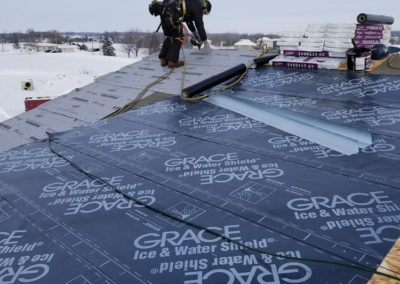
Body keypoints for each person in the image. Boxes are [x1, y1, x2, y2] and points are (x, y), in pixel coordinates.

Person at [158, 0, 212, 68]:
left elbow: (189, 22)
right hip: (173, 15)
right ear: (204, 7)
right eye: (204, 12)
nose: (203, 14)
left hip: (164, 14)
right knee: (178, 37)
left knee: (170, 37)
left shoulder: (189, 3)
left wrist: (195, 34)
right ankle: (172, 61)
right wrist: (205, 41)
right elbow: (199, 24)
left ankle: (163, 59)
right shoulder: (198, 6)